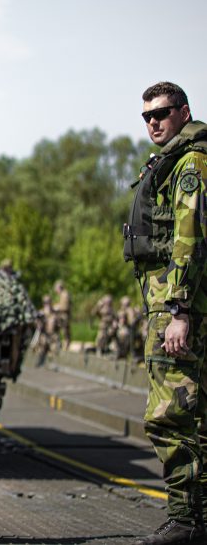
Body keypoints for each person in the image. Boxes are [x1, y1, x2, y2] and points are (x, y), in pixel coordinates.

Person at [124, 81, 207, 545]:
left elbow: (188, 240)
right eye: (147, 116)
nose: (153, 122)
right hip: (183, 305)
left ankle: (186, 521)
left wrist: (178, 310)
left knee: (171, 416)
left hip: (178, 308)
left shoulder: (190, 164)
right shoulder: (177, 161)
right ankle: (199, 520)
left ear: (183, 112)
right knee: (197, 415)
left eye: (162, 113)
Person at [34, 295, 57, 366]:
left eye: (49, 302)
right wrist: (39, 323)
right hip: (43, 335)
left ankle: (51, 360)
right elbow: (36, 324)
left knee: (54, 346)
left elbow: (59, 325)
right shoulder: (41, 313)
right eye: (45, 302)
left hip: (53, 335)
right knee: (42, 344)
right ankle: (40, 359)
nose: (47, 304)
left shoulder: (54, 313)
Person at [53, 280, 72, 349]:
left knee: (64, 332)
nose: (55, 291)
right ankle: (62, 345)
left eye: (56, 289)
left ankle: (65, 346)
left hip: (64, 316)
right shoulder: (63, 294)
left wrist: (56, 307)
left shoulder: (65, 294)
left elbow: (65, 307)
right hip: (62, 315)